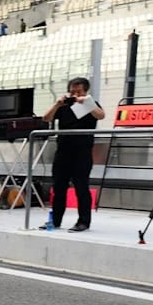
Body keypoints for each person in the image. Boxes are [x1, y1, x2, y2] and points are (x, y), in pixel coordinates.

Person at [41, 77, 105, 231]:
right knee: (58, 187)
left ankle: (83, 221)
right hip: (63, 151)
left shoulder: (90, 104)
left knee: (81, 187)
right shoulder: (64, 106)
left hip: (82, 152)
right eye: (72, 91)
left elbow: (101, 115)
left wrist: (86, 103)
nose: (75, 94)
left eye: (79, 91)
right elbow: (46, 117)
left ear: (85, 91)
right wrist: (57, 104)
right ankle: (55, 221)